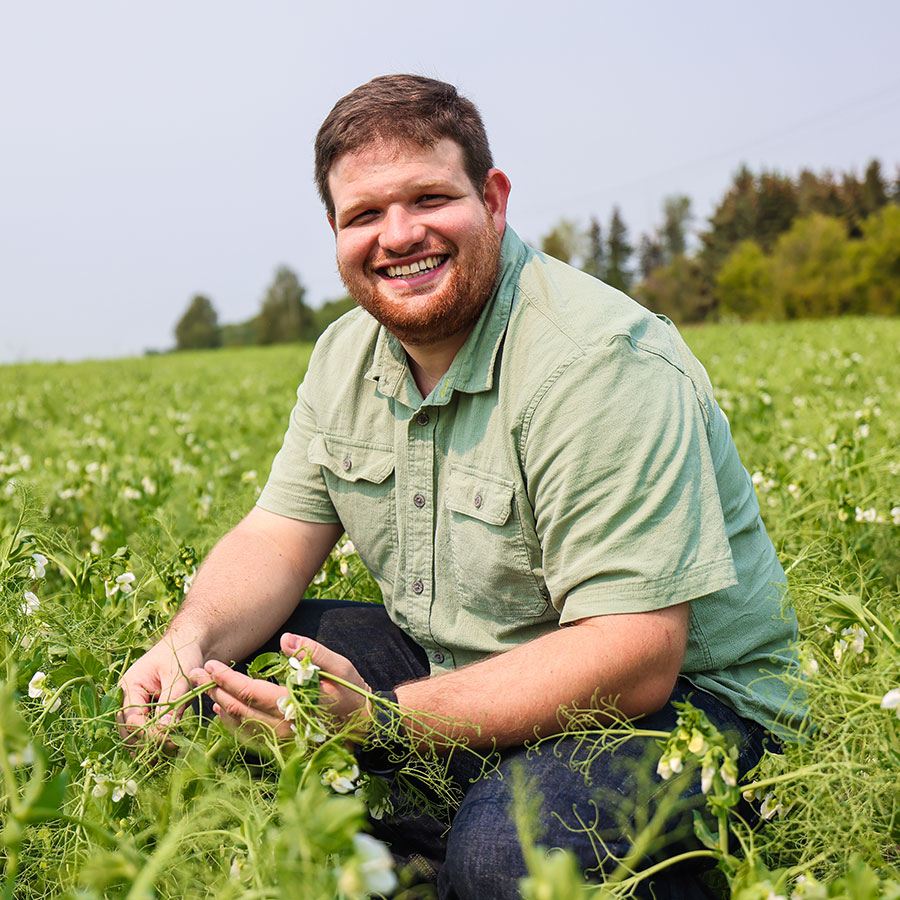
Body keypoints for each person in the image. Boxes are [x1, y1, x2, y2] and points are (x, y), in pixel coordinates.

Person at [118, 74, 801, 898]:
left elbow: (637, 654)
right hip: (465, 667)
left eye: (429, 199)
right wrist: (184, 647)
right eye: (364, 215)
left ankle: (462, 842)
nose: (398, 236)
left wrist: (386, 721)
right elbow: (275, 535)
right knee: (221, 689)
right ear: (334, 231)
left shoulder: (596, 363)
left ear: (494, 198)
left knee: (509, 858)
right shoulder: (345, 356)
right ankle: (441, 825)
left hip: (687, 712)